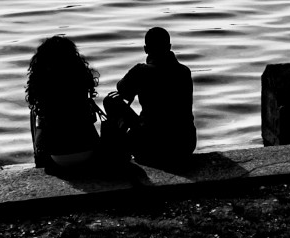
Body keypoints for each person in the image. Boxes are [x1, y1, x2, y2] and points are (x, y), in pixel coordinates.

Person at [103, 27, 196, 167]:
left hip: (153, 146)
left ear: (146, 49)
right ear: (169, 47)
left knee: (110, 101)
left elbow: (121, 88)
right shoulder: (184, 71)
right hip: (185, 145)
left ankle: (117, 152)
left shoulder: (141, 71)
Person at [25, 35, 102, 172]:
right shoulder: (80, 80)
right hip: (89, 150)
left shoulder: (44, 85)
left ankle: (40, 160)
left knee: (36, 113)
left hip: (58, 157)